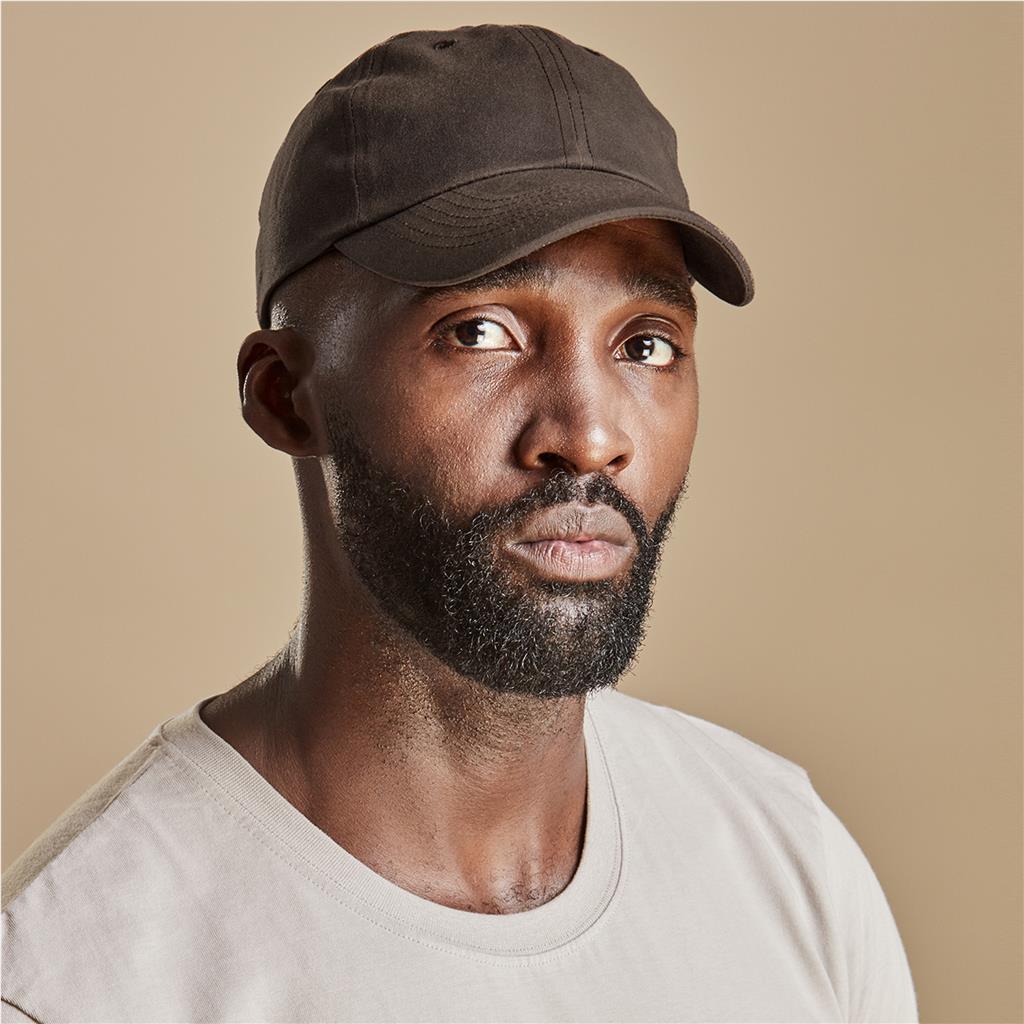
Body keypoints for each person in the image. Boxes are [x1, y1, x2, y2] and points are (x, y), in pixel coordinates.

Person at [1, 23, 918, 1024]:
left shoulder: (790, 862)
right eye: (481, 332)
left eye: (646, 344)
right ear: (284, 397)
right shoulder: (72, 979)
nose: (591, 434)